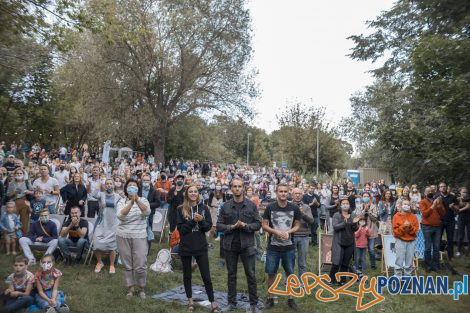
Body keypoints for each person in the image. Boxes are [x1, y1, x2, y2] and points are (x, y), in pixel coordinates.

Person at [216, 177, 262, 313]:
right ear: (231, 189)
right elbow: (218, 225)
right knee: (231, 275)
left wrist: (246, 225)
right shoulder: (225, 206)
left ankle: (253, 303)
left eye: (239, 186)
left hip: (247, 245)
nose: (237, 188)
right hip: (230, 245)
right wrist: (231, 227)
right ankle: (231, 303)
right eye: (234, 186)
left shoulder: (251, 205)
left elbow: (258, 224)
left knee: (251, 275)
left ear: (243, 188)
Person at [176, 185, 221, 313]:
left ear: (198, 194)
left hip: (200, 246)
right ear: (187, 194)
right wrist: (192, 221)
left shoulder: (204, 208)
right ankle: (190, 301)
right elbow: (181, 231)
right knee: (187, 275)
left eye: (195, 191)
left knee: (206, 276)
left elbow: (208, 227)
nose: (193, 193)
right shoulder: (180, 209)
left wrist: (201, 221)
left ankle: (213, 303)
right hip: (186, 246)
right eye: (191, 191)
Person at [262, 183, 301, 310]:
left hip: (289, 247)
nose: (283, 193)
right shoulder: (270, 207)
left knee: (290, 273)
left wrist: (287, 232)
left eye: (285, 191)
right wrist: (276, 232)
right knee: (271, 273)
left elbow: (297, 225)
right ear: (276, 192)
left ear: (288, 192)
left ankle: (291, 299)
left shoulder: (294, 208)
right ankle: (270, 298)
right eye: (281, 191)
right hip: (273, 246)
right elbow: (264, 225)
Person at [116, 179, 150, 299]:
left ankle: (141, 288)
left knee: (140, 264)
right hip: (123, 235)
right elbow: (120, 216)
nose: (131, 188)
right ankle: (130, 288)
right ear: (126, 189)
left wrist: (137, 200)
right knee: (127, 264)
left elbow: (146, 212)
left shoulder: (144, 200)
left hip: (139, 235)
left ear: (138, 189)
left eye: (134, 186)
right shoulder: (121, 201)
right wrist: (131, 202)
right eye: (129, 186)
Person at [329, 197, 359, 285]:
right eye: (343, 204)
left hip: (349, 242)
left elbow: (355, 229)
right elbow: (335, 227)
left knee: (345, 263)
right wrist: (345, 223)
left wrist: (354, 224)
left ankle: (342, 280)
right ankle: (332, 280)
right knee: (336, 263)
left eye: (347, 203)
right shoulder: (336, 215)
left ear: (349, 205)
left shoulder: (353, 215)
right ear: (340, 205)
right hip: (339, 242)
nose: (345, 205)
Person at [93, 179, 121, 274]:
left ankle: (112, 265)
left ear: (114, 185)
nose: (109, 185)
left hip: (113, 223)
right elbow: (93, 194)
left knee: (112, 246)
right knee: (96, 243)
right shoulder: (101, 194)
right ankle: (100, 262)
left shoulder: (118, 196)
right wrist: (98, 186)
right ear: (104, 185)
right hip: (101, 223)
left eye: (111, 183)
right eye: (107, 184)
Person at [291, 188, 314, 288]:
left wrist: (303, 213)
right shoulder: (288, 206)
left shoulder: (306, 207)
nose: (297, 195)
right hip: (291, 236)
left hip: (303, 237)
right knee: (289, 260)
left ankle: (302, 283)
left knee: (302, 262)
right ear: (292, 195)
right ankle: (289, 281)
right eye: (295, 193)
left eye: (299, 193)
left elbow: (311, 221)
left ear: (302, 195)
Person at [419, 187, 445, 272]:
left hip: (437, 226)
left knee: (436, 247)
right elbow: (425, 214)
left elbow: (443, 213)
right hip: (427, 227)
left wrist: (439, 206)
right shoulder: (422, 202)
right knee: (428, 247)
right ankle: (428, 266)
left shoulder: (437, 201)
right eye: (428, 191)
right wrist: (433, 206)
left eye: (431, 191)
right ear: (425, 193)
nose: (430, 192)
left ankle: (436, 266)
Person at [392, 199, 419, 277]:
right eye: (404, 204)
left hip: (411, 241)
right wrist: (403, 227)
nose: (406, 206)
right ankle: (397, 277)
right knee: (399, 261)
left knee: (409, 261)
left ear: (410, 206)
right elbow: (396, 232)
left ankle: (407, 278)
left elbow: (415, 231)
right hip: (400, 240)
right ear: (401, 205)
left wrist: (410, 227)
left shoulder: (414, 217)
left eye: (407, 204)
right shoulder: (396, 216)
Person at [354, 192, 379, 270]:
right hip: (361, 232)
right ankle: (361, 264)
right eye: (364, 196)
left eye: (367, 196)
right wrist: (364, 210)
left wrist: (369, 211)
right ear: (362, 197)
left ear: (370, 197)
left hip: (371, 230)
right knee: (361, 249)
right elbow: (357, 218)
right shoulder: (359, 206)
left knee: (371, 249)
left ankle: (373, 264)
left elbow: (375, 218)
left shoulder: (374, 206)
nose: (366, 197)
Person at [436, 182, 458, 260]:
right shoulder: (437, 196)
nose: (443, 188)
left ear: (447, 187)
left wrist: (453, 208)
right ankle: (439, 255)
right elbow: (433, 209)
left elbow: (457, 210)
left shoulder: (452, 197)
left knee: (450, 239)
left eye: (444, 186)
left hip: (450, 220)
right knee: (438, 239)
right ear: (439, 188)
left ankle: (450, 256)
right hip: (440, 220)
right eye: (441, 186)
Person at [139, 173, 160, 253]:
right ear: (141, 180)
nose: (146, 181)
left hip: (150, 214)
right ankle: (139, 248)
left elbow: (158, 203)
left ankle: (147, 250)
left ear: (150, 180)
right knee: (139, 231)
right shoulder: (138, 189)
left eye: (147, 180)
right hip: (138, 214)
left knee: (148, 231)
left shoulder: (154, 191)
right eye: (144, 180)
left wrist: (147, 204)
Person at [456, 187, 470, 256]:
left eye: (466, 192)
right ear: (460, 192)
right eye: (463, 192)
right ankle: (458, 251)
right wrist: (465, 208)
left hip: (469, 218)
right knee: (460, 235)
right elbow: (456, 210)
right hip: (461, 218)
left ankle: (469, 251)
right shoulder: (457, 200)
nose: (465, 193)